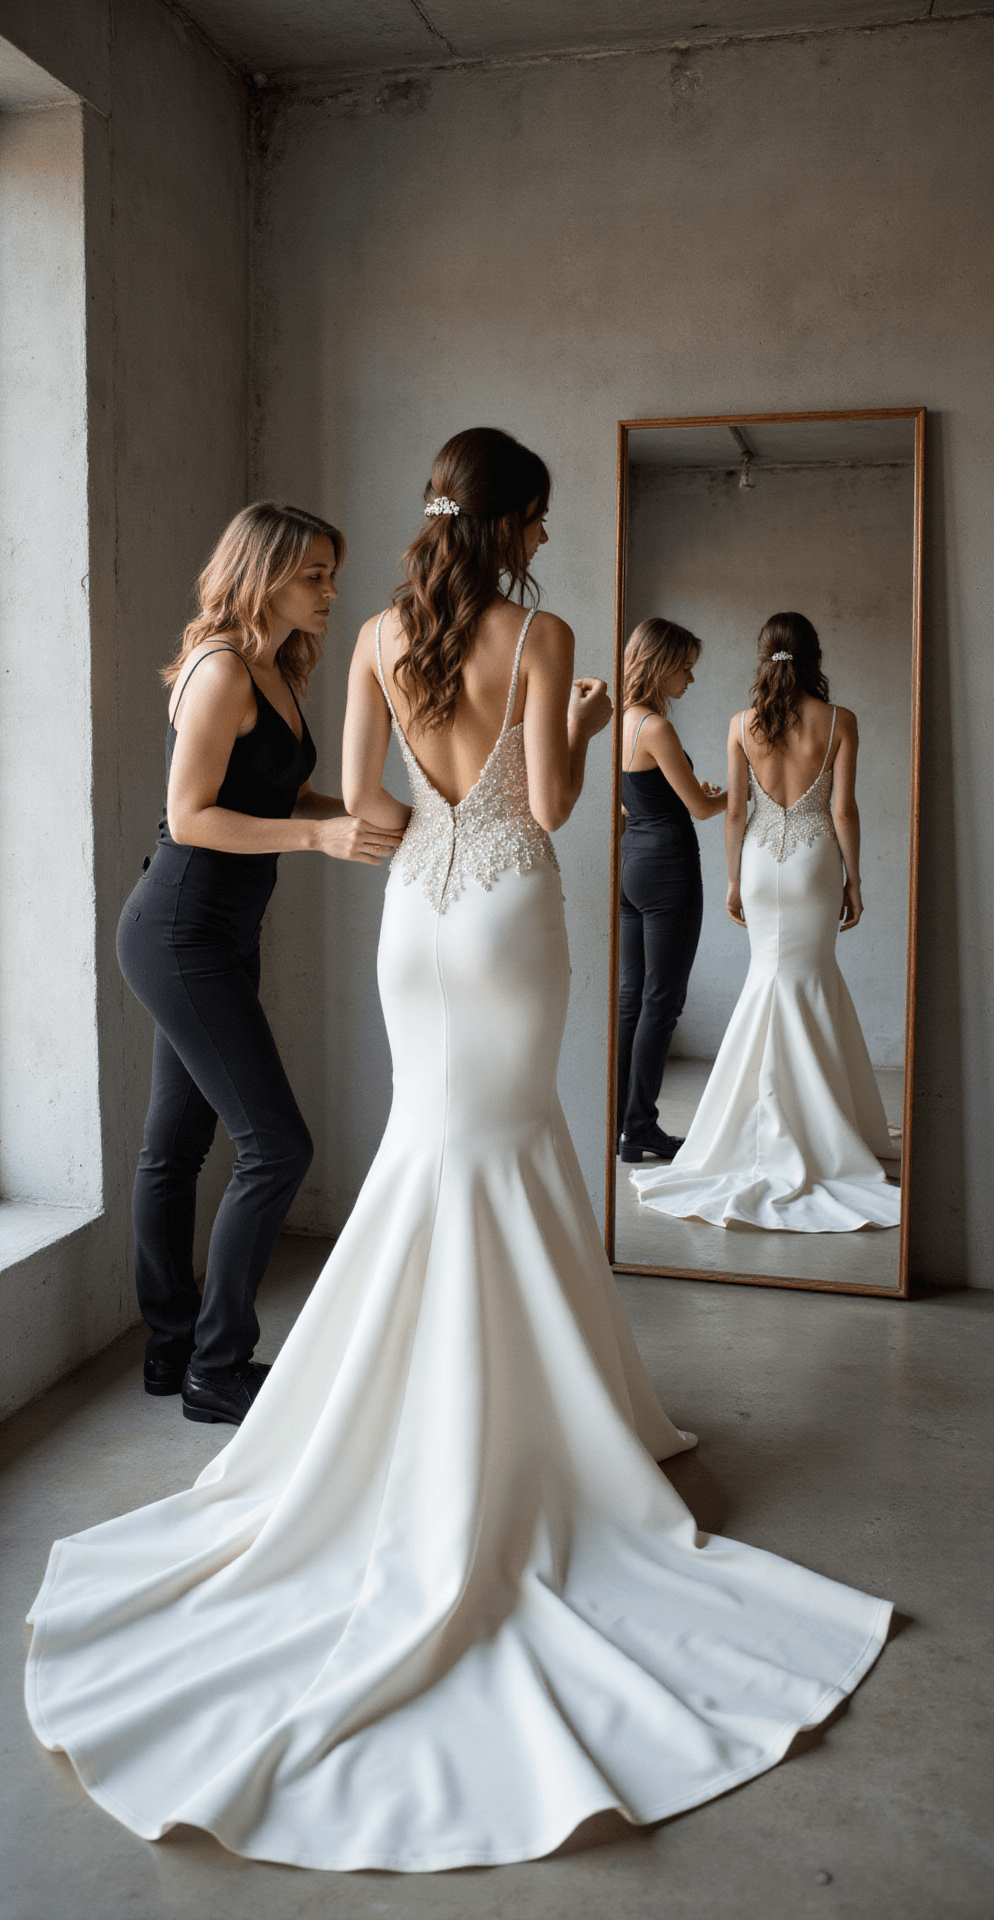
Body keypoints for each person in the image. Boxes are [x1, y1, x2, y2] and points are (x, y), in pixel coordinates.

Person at [26, 446, 890, 1872]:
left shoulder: (367, 636)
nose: (550, 528)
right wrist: (590, 712)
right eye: (540, 511)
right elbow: (549, 806)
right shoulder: (543, 635)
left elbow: (362, 813)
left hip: (414, 920)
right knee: (505, 1146)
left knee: (433, 1153)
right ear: (514, 525)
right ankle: (531, 1423)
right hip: (505, 919)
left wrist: (419, 815)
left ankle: (400, 1421)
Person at [116, 503, 404, 1427]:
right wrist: (320, 835)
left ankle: (171, 1347)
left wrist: (392, 816)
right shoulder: (220, 671)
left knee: (177, 1146)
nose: (329, 592)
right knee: (277, 1147)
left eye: (331, 574)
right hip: (179, 932)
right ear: (261, 572)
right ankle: (215, 1365)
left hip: (218, 935)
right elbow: (192, 816)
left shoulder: (277, 669)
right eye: (313, 575)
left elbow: (276, 788)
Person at [632, 612, 901, 1232]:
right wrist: (854, 879)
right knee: (808, 979)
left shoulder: (740, 724)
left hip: (757, 861)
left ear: (764, 659)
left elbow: (734, 813)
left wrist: (732, 880)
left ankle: (755, 1123)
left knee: (767, 980)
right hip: (812, 861)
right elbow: (844, 809)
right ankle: (821, 1125)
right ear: (814, 657)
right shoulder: (840, 722)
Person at [617, 619, 726, 1162]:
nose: (690, 677)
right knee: (662, 1002)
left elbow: (633, 800)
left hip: (631, 864)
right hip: (667, 868)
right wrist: (731, 794)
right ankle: (640, 1127)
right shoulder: (656, 727)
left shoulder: (619, 723)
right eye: (685, 666)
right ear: (661, 665)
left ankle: (618, 1121)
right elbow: (701, 809)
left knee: (632, 1001)